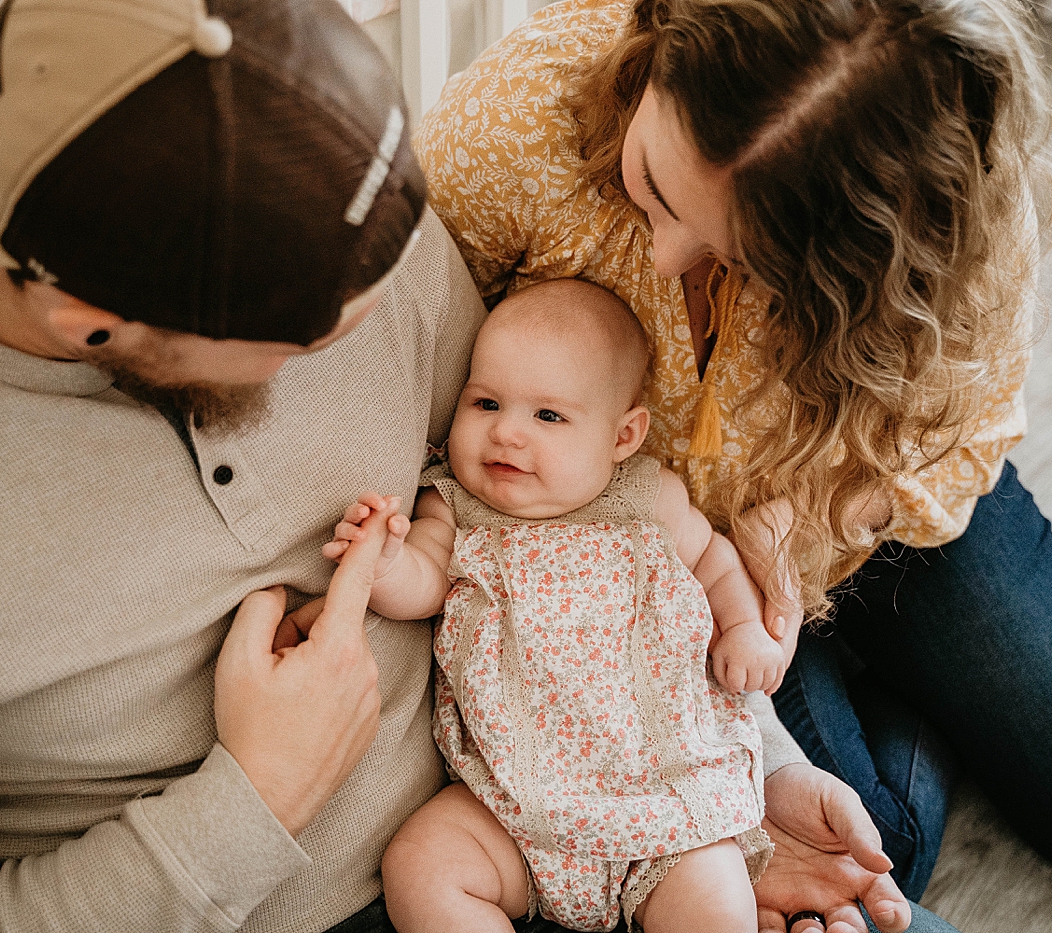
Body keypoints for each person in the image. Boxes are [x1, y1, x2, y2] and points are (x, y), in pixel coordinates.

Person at [0, 1, 928, 932]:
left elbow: (580, 529)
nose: (384, 309)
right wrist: (253, 799)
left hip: (631, 795)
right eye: (306, 346)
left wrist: (744, 773)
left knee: (892, 858)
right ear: (92, 325)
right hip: (353, 895)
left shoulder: (334, 213)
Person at [415, 0, 1052, 906]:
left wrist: (789, 559)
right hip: (661, 585)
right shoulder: (520, 116)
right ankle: (921, 671)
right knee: (863, 861)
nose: (664, 253)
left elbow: (957, 449)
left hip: (869, 519)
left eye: (746, 256)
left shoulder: (954, 220)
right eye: (651, 182)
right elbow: (418, 367)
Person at [329, 279, 779, 933]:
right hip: (511, 806)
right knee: (422, 862)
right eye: (486, 402)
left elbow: (713, 559)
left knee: (716, 907)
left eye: (548, 416)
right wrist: (385, 561)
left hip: (664, 799)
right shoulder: (457, 509)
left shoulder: (647, 501)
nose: (506, 431)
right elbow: (423, 582)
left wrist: (742, 627)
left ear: (623, 435)